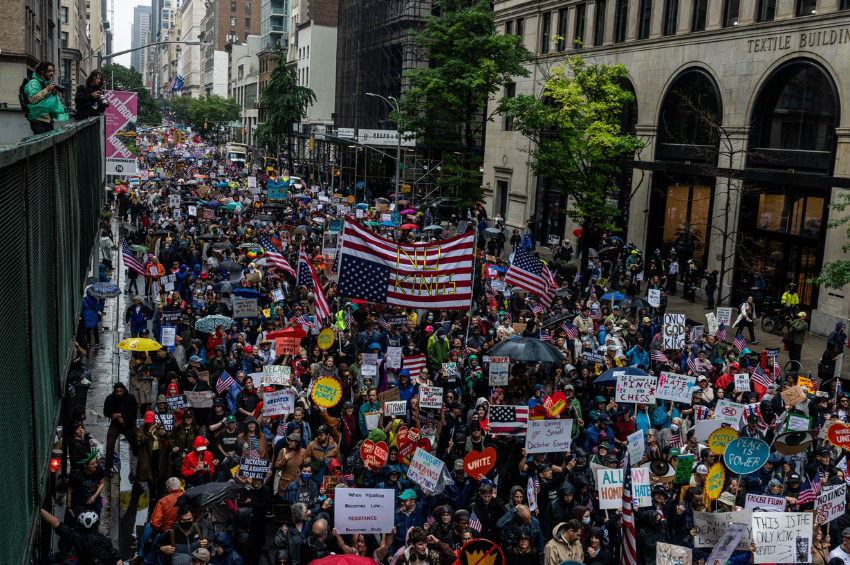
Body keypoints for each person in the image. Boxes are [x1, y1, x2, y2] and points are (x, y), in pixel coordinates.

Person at [39, 508, 121, 565]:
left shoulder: (77, 537)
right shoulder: (103, 539)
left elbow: (55, 523)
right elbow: (118, 561)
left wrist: (39, 508)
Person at [103, 382, 138, 476]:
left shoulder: (131, 398)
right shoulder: (110, 398)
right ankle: (109, 467)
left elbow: (134, 413)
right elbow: (106, 412)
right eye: (117, 392)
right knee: (110, 446)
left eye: (120, 392)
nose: (118, 394)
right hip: (115, 425)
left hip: (129, 425)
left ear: (124, 391)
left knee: (135, 444)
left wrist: (122, 416)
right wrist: (113, 416)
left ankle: (138, 461)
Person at [24, 61, 68, 134]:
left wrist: (53, 94)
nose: (52, 73)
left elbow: (48, 102)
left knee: (50, 143)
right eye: (49, 71)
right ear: (42, 71)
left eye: (53, 71)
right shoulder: (33, 83)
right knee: (41, 143)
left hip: (48, 119)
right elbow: (32, 99)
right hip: (38, 119)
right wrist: (46, 90)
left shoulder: (47, 83)